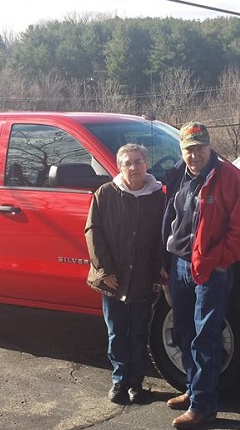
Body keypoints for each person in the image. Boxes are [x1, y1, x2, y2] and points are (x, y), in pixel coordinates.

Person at [161, 122, 240, 429]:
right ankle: (192, 390)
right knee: (183, 332)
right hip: (178, 264)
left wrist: (220, 260)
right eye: (189, 150)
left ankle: (203, 406)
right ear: (182, 150)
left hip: (210, 270)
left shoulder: (229, 177)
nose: (194, 155)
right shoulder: (178, 173)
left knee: (206, 337)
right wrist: (164, 258)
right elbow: (169, 217)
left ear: (209, 147)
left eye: (199, 148)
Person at [85, 143, 165, 404]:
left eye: (139, 161)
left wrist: (157, 275)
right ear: (120, 167)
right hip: (113, 280)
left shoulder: (158, 197)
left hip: (143, 279)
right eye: (128, 163)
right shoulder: (105, 194)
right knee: (117, 333)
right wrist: (104, 269)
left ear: (146, 164)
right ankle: (119, 382)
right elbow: (93, 231)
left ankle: (136, 384)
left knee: (140, 333)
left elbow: (162, 239)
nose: (134, 167)